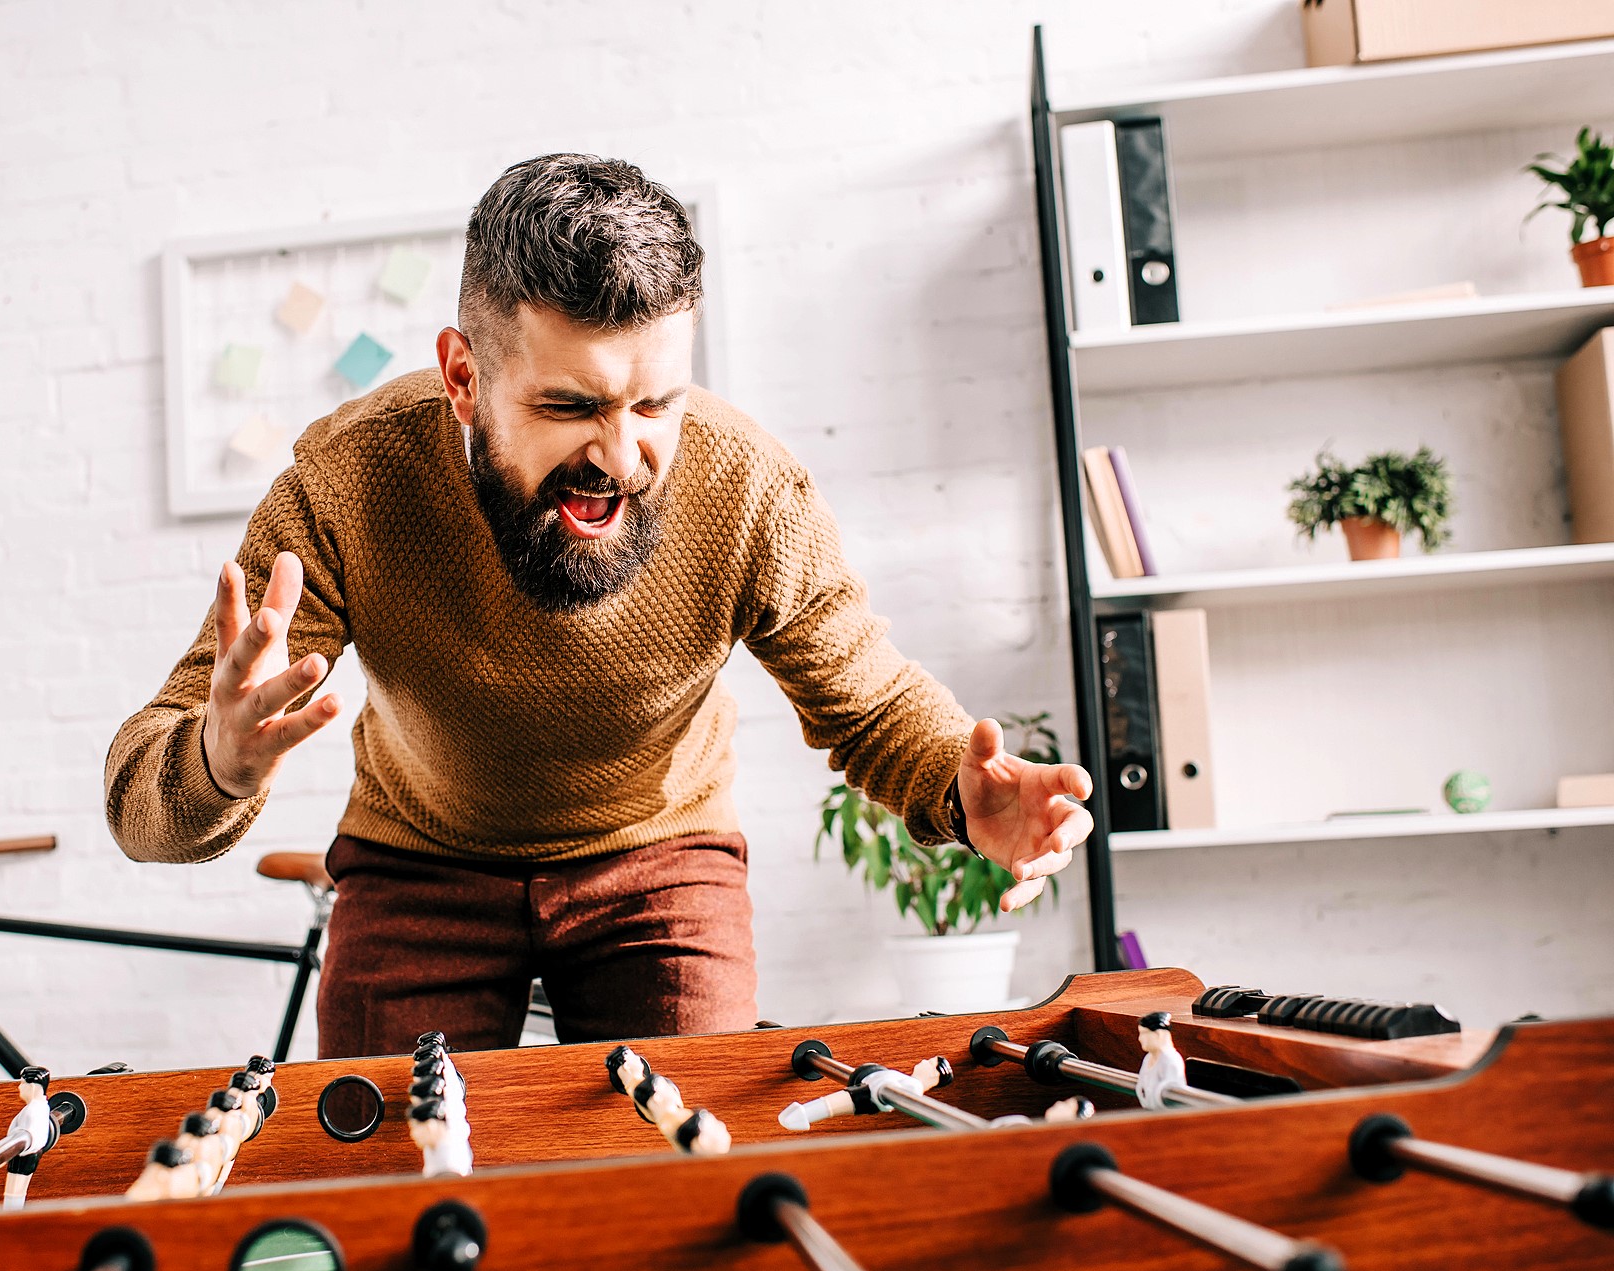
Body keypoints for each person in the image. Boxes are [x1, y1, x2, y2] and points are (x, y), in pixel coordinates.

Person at [106, 152, 1094, 1059]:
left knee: (679, 1166)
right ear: (462, 377)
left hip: (658, 864)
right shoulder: (346, 486)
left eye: (655, 404)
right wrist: (217, 761)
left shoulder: (747, 488)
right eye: (569, 407)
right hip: (418, 869)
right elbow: (143, 809)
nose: (621, 462)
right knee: (382, 1182)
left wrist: (964, 795)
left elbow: (869, 702)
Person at [0, 1066, 55, 1208]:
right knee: (18, 1191)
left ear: (32, 1087)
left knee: (14, 1191)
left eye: (22, 1083)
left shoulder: (32, 1110)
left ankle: (11, 1218)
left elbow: (26, 1135)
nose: (19, 1087)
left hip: (23, 1155)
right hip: (31, 1153)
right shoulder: (42, 1106)